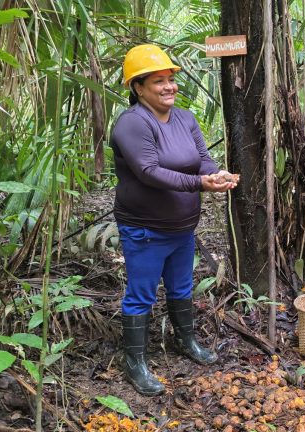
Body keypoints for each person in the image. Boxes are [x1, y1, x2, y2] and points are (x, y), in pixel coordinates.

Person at [110, 44, 238, 396]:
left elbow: (202, 160)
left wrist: (217, 174)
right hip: (145, 228)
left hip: (182, 226)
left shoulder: (185, 118)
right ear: (138, 87)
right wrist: (200, 183)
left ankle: (186, 341)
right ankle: (135, 362)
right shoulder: (132, 123)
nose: (169, 86)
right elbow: (150, 172)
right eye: (158, 81)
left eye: (171, 79)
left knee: (181, 287)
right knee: (141, 294)